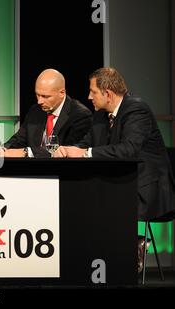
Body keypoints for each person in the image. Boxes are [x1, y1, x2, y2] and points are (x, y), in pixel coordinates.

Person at [53, 67, 175, 272]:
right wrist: (68, 149)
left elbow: (129, 150)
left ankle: (123, 250)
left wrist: (84, 153)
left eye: (93, 91)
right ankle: (98, 259)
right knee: (81, 195)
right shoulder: (101, 115)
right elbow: (87, 143)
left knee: (98, 200)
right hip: (120, 181)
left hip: (146, 186)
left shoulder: (137, 110)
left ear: (108, 93)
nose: (89, 96)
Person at [0, 69, 92, 158]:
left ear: (62, 93)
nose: (39, 101)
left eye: (45, 96)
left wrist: (26, 152)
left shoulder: (80, 115)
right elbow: (19, 139)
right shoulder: (35, 111)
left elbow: (64, 151)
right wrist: (3, 149)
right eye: (37, 95)